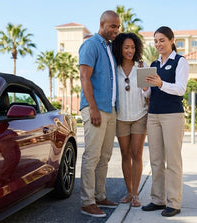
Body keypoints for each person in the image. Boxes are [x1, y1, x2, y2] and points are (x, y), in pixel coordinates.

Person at [141, 26, 189, 217]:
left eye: (162, 40)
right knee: (156, 160)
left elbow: (180, 89)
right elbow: (149, 93)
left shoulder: (180, 61)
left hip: (172, 116)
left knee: (173, 161)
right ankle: (157, 199)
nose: (158, 44)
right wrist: (145, 88)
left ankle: (174, 203)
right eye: (155, 41)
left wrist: (161, 83)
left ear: (171, 40)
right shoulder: (154, 64)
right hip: (153, 116)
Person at [79, 10, 120, 218]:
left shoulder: (110, 49)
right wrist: (93, 108)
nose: (116, 30)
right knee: (92, 155)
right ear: (102, 24)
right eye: (112, 26)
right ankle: (87, 202)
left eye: (118, 27)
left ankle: (99, 195)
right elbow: (85, 77)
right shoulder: (91, 45)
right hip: (95, 108)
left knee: (105, 156)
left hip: (110, 109)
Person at [111, 32, 148, 208]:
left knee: (136, 154)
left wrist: (147, 88)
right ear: (119, 48)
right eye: (126, 47)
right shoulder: (114, 68)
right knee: (125, 154)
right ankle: (128, 191)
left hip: (140, 115)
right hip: (120, 117)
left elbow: (148, 94)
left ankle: (135, 195)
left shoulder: (141, 67)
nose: (130, 50)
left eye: (133, 47)